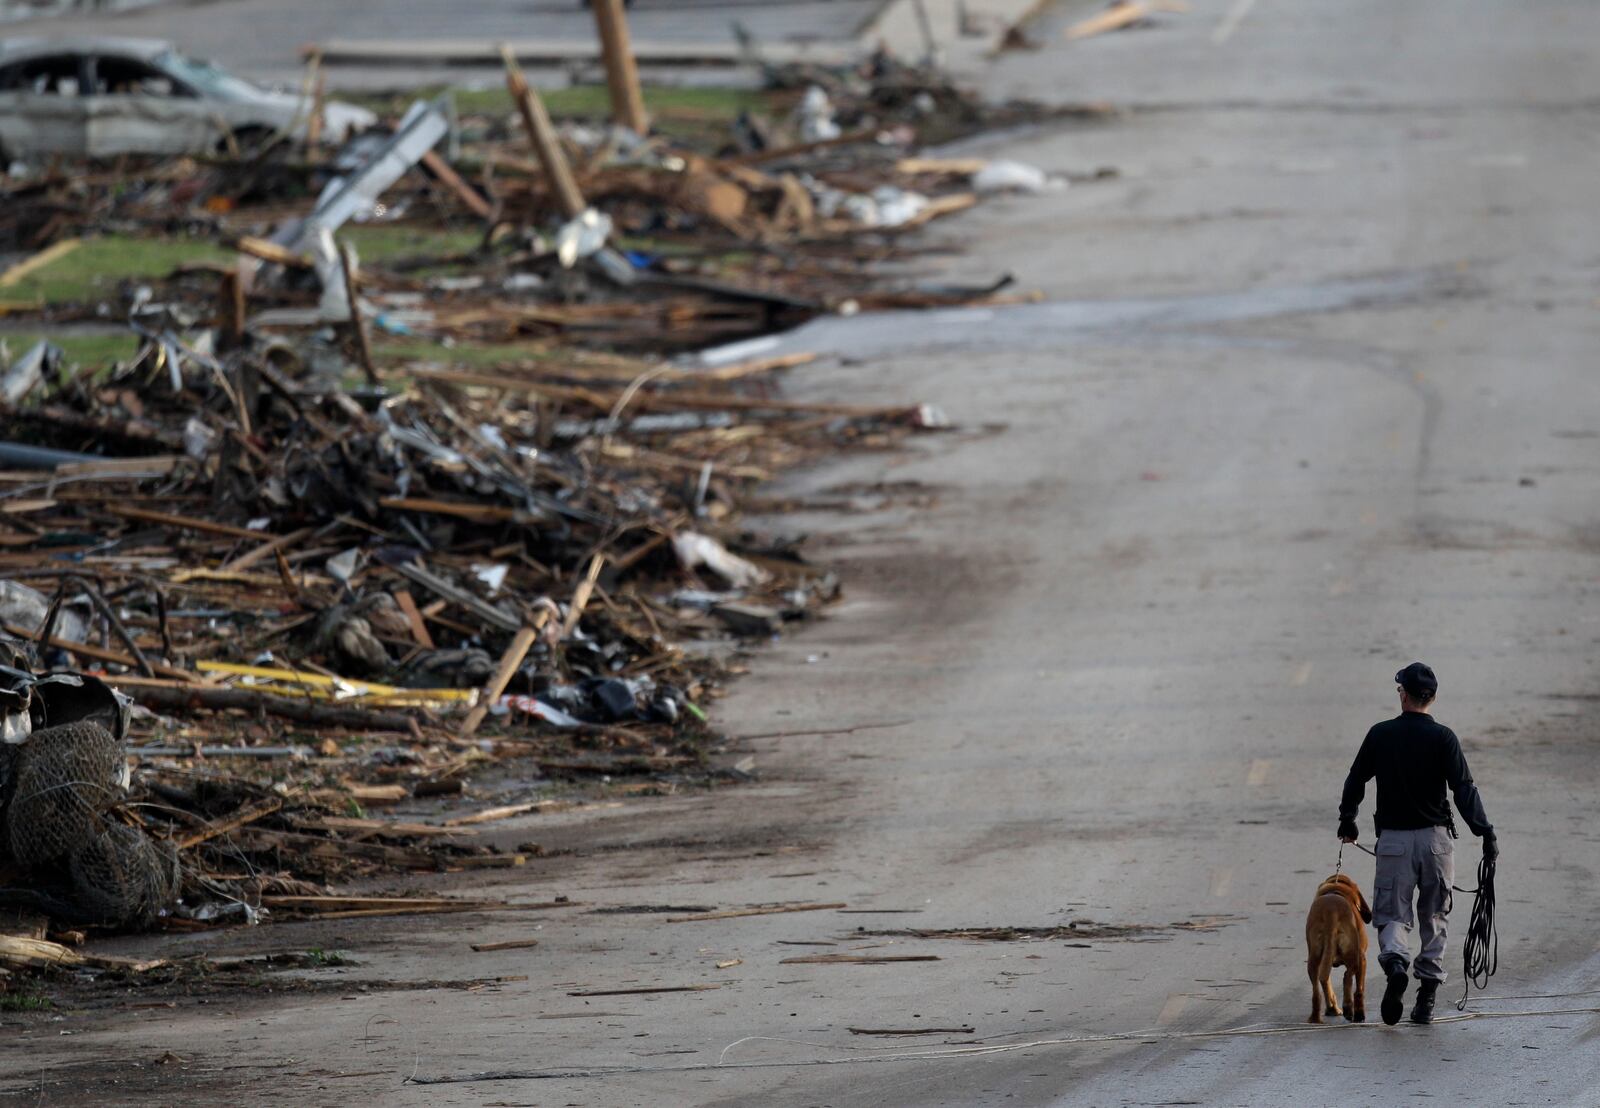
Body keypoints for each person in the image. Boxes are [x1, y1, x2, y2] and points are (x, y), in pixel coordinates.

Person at [1337, 662, 1498, 1025]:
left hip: (1394, 841)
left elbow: (1356, 779)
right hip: (1436, 843)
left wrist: (1348, 820)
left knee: (1392, 914)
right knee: (1435, 915)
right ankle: (1426, 997)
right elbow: (1463, 790)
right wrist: (1485, 832)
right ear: (1433, 697)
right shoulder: (1444, 737)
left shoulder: (1380, 734)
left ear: (1403, 695)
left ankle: (1396, 962)